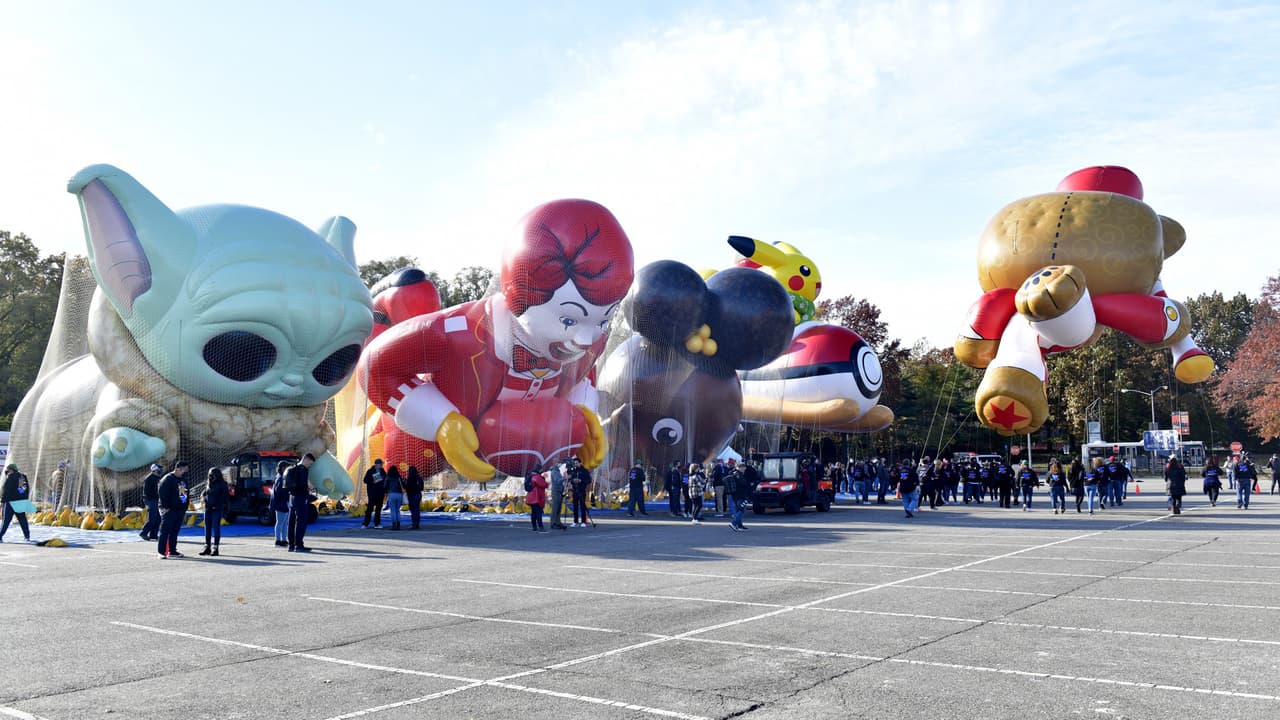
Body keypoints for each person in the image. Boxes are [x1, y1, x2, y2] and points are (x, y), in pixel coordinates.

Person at [156, 462, 190, 558]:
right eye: (184, 470)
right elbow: (162, 495)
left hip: (180, 510)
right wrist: (166, 507)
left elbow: (185, 493)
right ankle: (161, 552)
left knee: (175, 531)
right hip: (169, 510)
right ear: (178, 469)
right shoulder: (167, 479)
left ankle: (172, 551)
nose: (185, 472)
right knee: (165, 531)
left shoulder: (183, 480)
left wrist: (184, 506)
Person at [285, 454, 315, 552]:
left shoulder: (292, 468)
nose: (309, 465)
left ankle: (291, 545)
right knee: (301, 521)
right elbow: (302, 484)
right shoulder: (303, 470)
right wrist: (309, 489)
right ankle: (299, 545)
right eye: (310, 463)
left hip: (291, 497)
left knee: (291, 521)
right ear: (306, 459)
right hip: (300, 498)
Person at [199, 467, 229, 556]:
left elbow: (226, 497)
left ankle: (215, 547)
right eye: (210, 474)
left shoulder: (222, 484)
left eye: (212, 474)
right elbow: (204, 492)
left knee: (216, 528)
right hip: (207, 509)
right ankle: (207, 546)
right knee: (207, 528)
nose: (211, 476)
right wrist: (203, 497)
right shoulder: (208, 483)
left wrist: (217, 503)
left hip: (216, 509)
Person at [1, 464, 34, 543]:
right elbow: (24, 490)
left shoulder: (11, 477)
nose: (7, 472)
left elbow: (6, 490)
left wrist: (3, 501)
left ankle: (0, 536)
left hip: (10, 502)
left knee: (6, 521)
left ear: (11, 470)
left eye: (8, 470)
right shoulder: (22, 477)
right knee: (22, 520)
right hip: (20, 502)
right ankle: (27, 536)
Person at [139, 463, 164, 541]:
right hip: (150, 500)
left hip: (154, 500)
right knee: (152, 518)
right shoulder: (149, 478)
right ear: (154, 470)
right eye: (159, 470)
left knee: (158, 519)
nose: (161, 471)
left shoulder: (157, 478)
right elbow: (147, 492)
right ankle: (143, 533)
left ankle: (153, 535)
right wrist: (153, 500)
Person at [269, 460, 291, 546]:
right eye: (286, 467)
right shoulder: (281, 478)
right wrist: (288, 492)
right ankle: (278, 540)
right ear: (282, 468)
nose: (288, 468)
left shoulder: (281, 477)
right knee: (280, 522)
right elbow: (279, 491)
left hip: (283, 503)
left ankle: (284, 539)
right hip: (281, 503)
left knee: (284, 523)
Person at [362, 459, 387, 529]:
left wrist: (384, 489)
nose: (381, 465)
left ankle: (377, 523)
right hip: (372, 493)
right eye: (380, 464)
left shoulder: (383, 472)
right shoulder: (370, 471)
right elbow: (365, 480)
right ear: (376, 464)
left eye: (382, 464)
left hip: (380, 493)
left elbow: (386, 480)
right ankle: (365, 524)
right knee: (369, 509)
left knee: (378, 510)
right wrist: (373, 481)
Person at [569, 458, 593, 527]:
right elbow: (571, 480)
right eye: (574, 463)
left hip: (582, 490)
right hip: (575, 490)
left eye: (577, 463)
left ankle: (583, 522)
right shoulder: (574, 471)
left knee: (582, 506)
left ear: (580, 463)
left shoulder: (584, 471)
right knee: (575, 506)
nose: (575, 465)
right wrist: (573, 481)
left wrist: (581, 481)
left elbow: (589, 480)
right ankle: (575, 521)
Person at [724, 463, 748, 532]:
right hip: (740, 494)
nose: (744, 469)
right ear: (740, 467)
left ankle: (740, 526)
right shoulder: (738, 474)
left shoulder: (733, 473)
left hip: (735, 494)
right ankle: (733, 523)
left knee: (738, 509)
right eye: (744, 468)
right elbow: (743, 483)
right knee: (741, 510)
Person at [525, 465, 548, 532]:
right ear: (539, 469)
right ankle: (541, 527)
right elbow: (544, 485)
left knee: (533, 513)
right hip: (537, 497)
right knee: (538, 513)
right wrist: (545, 480)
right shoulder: (537, 477)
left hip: (531, 497)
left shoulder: (531, 476)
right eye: (541, 469)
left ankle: (534, 527)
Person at [548, 461, 568, 530]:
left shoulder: (558, 471)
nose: (559, 464)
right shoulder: (554, 472)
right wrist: (565, 478)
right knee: (555, 507)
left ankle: (558, 522)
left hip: (559, 491)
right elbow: (557, 481)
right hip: (556, 491)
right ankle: (553, 523)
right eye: (558, 463)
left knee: (559, 508)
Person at [385, 464, 405, 530]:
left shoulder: (388, 477)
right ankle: (398, 524)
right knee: (397, 510)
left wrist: (386, 492)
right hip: (399, 494)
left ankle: (394, 525)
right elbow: (403, 485)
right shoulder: (399, 477)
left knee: (393, 510)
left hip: (391, 494)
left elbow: (385, 486)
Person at [405, 465, 425, 529]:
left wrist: (404, 484)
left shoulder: (410, 478)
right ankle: (417, 523)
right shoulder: (419, 478)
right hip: (418, 494)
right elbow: (422, 488)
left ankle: (414, 523)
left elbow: (408, 488)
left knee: (413, 510)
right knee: (417, 509)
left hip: (412, 495)